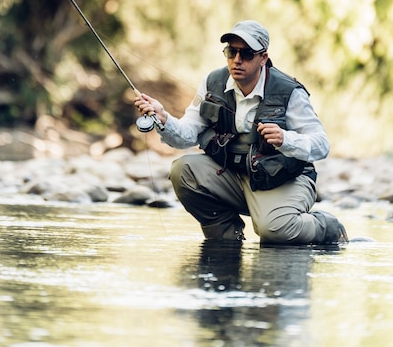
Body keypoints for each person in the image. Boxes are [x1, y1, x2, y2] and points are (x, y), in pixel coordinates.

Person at [134, 20, 348, 245]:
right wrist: (163, 118)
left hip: (284, 179)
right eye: (231, 51)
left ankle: (327, 227)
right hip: (233, 174)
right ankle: (227, 237)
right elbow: (187, 134)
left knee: (275, 232)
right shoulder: (212, 82)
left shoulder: (289, 92)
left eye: (246, 54)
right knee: (183, 170)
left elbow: (322, 144)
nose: (237, 60)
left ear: (263, 58)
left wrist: (286, 139)